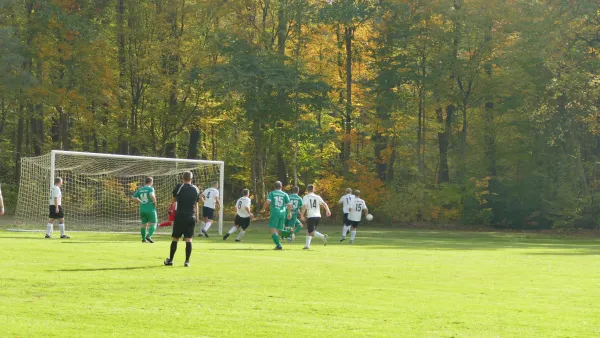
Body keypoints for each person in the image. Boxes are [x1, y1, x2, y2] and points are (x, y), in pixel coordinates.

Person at [164, 171, 200, 267]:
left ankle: (170, 260)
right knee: (189, 239)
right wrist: (197, 216)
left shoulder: (179, 187)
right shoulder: (196, 189)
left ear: (182, 178)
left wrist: (170, 209)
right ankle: (187, 261)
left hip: (180, 216)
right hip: (191, 216)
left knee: (175, 238)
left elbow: (174, 200)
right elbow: (196, 205)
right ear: (191, 179)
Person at [260, 181, 291, 250]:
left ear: (274, 187)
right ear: (281, 186)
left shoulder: (272, 193)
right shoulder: (285, 194)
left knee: (273, 230)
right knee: (280, 231)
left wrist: (263, 209)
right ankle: (289, 235)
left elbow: (268, 202)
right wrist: (289, 213)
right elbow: (289, 204)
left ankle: (279, 245)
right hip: (283, 213)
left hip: (275, 213)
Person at [299, 184, 331, 249]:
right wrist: (328, 210)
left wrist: (302, 215)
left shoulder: (306, 197)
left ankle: (323, 237)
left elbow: (304, 206)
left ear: (307, 190)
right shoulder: (317, 197)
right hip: (318, 216)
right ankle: (307, 246)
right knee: (309, 230)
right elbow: (324, 204)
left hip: (311, 216)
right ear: (313, 190)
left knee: (311, 232)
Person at [131, 177, 158, 243]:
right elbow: (151, 195)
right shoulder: (150, 188)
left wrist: (140, 201)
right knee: (154, 224)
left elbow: (133, 197)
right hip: (150, 208)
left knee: (144, 225)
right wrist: (155, 202)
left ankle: (143, 239)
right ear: (151, 182)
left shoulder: (140, 189)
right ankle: (149, 236)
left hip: (142, 209)